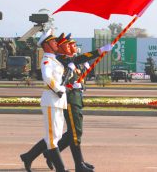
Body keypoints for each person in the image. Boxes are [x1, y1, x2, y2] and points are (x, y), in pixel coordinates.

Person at [43, 33, 113, 172]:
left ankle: (60, 156)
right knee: (72, 133)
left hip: (76, 98)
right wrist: (99, 51)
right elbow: (53, 77)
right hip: (68, 99)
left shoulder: (68, 60)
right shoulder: (59, 59)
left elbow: (78, 63)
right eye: (68, 44)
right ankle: (72, 162)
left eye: (72, 45)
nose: (71, 47)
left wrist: (99, 53)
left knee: (72, 133)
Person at [20, 29, 70, 172]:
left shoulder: (54, 59)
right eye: (53, 41)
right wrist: (58, 89)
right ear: (46, 45)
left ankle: (28, 157)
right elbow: (47, 77)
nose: (56, 43)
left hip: (58, 101)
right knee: (52, 138)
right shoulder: (47, 60)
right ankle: (61, 169)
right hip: (51, 100)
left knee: (57, 135)